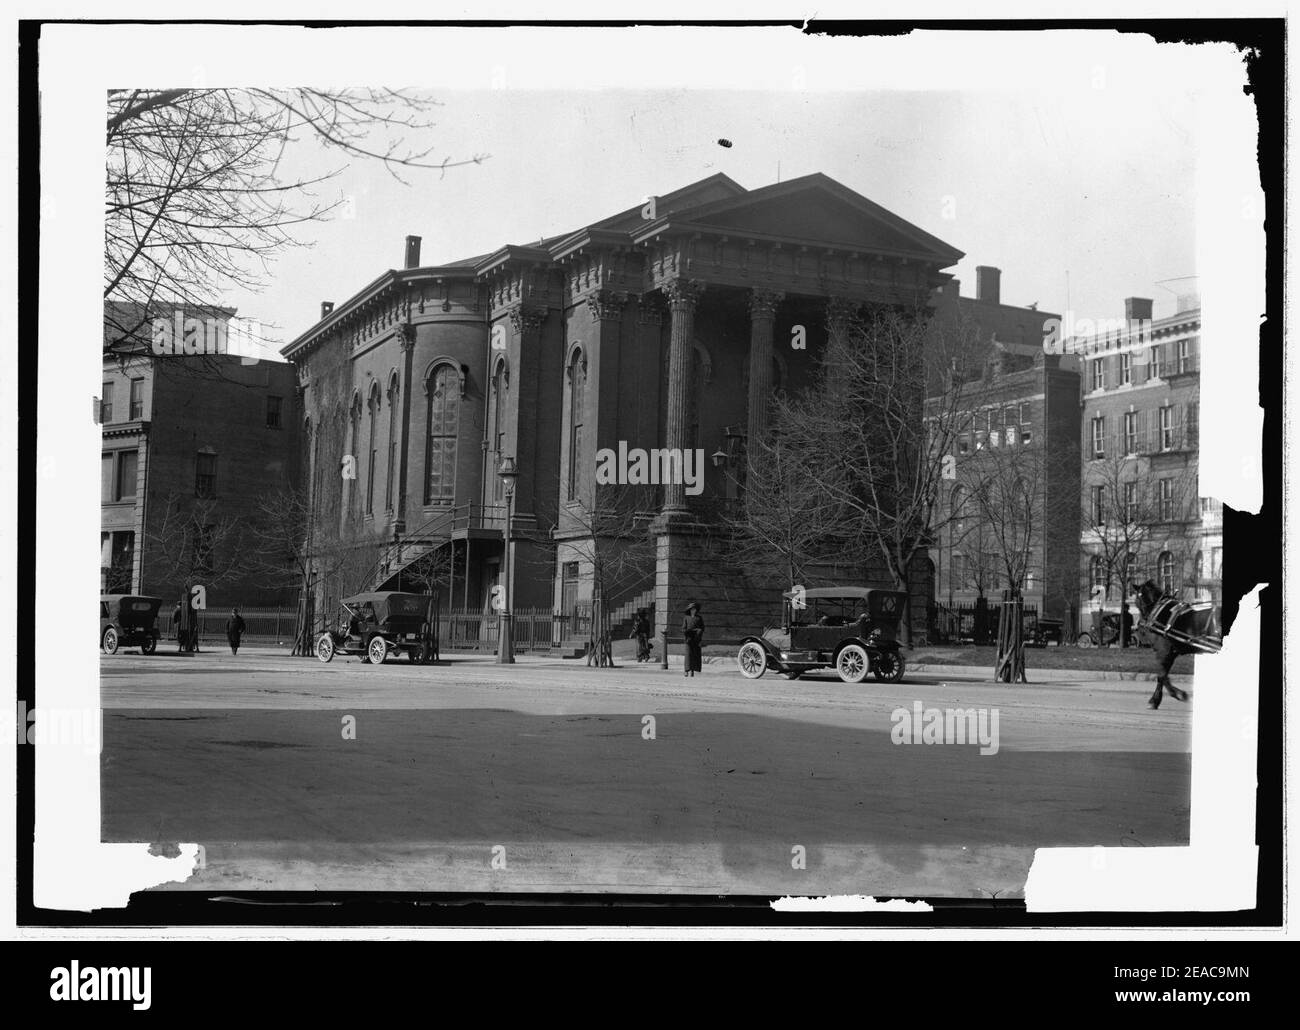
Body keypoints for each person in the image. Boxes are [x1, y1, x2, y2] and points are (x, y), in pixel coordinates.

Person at [682, 602, 705, 678]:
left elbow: (702, 628)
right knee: (688, 655)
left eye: (694, 609)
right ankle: (686, 670)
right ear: (689, 610)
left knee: (694, 655)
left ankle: (692, 670)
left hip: (696, 638)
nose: (693, 611)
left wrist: (699, 631)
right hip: (688, 638)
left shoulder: (699, 618)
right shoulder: (686, 617)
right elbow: (683, 628)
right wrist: (686, 632)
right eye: (692, 609)